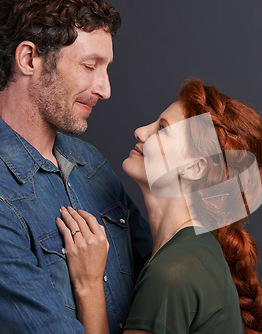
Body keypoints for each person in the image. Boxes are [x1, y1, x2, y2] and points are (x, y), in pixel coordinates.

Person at [57, 79, 262, 334]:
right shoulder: (189, 253)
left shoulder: (174, 272)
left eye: (162, 129)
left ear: (195, 168)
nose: (140, 131)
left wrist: (89, 285)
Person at [0, 1, 152, 333]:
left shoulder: (91, 163)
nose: (105, 89)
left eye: (107, 68)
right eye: (89, 65)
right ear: (29, 59)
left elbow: (157, 275)